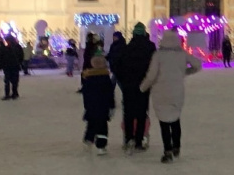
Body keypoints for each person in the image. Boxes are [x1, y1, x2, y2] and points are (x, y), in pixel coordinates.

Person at [141, 32, 201, 163]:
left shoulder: (158, 55)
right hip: (177, 91)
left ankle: (167, 151)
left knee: (164, 123)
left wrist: (143, 87)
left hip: (160, 92)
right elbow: (197, 64)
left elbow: (151, 75)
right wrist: (185, 72)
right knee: (175, 120)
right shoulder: (182, 54)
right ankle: (176, 147)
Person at [118, 23, 157, 152]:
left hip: (128, 85)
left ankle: (129, 138)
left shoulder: (127, 48)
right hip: (144, 85)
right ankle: (139, 140)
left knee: (128, 112)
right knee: (141, 113)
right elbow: (154, 67)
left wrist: (123, 81)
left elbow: (119, 67)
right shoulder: (150, 47)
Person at [81, 55, 116, 155]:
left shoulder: (88, 78)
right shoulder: (106, 78)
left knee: (91, 124)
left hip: (91, 107)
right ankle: (101, 146)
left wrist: (86, 106)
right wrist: (112, 106)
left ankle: (88, 139)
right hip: (103, 108)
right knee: (102, 127)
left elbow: (85, 94)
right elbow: (110, 94)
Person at [0, 36, 24, 100]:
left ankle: (8, 94)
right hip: (14, 66)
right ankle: (14, 93)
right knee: (14, 81)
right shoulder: (17, 47)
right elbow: (21, 56)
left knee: (7, 81)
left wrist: (1, 64)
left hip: (8, 66)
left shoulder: (6, 48)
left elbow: (1, 56)